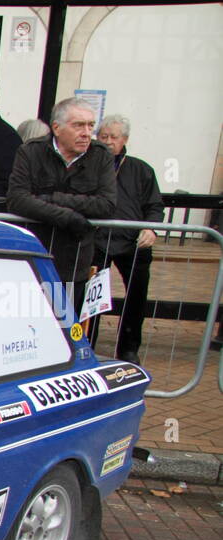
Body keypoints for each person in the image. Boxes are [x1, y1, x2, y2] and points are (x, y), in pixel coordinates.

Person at [7, 97, 116, 298]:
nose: (86, 133)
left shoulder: (101, 157)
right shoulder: (31, 152)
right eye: (78, 125)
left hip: (75, 261)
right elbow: (17, 199)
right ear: (56, 128)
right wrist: (67, 217)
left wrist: (52, 199)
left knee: (67, 324)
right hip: (34, 254)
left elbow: (106, 204)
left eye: (90, 125)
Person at [94, 115, 164, 363]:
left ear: (124, 140)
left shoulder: (141, 169)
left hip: (132, 242)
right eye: (104, 136)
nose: (108, 141)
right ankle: (87, 343)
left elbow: (154, 205)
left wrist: (151, 229)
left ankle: (129, 348)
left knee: (136, 296)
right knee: (91, 296)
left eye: (114, 137)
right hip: (97, 240)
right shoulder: (89, 165)